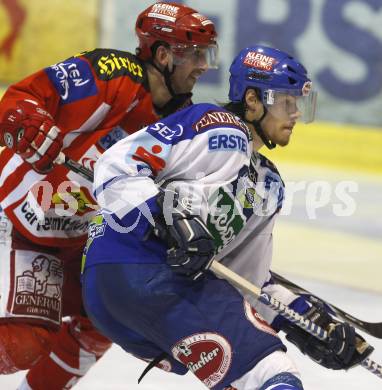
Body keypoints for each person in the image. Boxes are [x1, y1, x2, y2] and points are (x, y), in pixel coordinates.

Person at [81, 45, 372, 389]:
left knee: (246, 376)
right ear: (252, 100)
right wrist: (168, 216)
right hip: (132, 260)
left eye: (298, 105)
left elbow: (243, 283)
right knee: (269, 371)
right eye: (286, 102)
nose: (294, 113)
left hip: (137, 293)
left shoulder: (269, 185)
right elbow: (117, 164)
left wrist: (303, 319)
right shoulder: (215, 125)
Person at [0, 2, 218, 389]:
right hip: (20, 212)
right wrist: (28, 123)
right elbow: (20, 99)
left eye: (206, 54)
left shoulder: (180, 122)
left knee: (102, 321)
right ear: (163, 55)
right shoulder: (108, 73)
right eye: (195, 54)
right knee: (23, 344)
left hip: (80, 237)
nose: (203, 65)